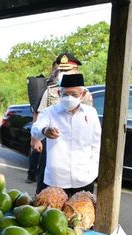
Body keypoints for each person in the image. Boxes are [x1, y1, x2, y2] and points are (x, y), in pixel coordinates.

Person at [31, 52, 93, 193]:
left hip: (75, 147)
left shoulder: (84, 94)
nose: (63, 74)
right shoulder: (51, 91)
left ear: (76, 71)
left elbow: (88, 122)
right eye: (61, 70)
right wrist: (35, 139)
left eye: (67, 71)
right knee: (46, 186)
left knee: (76, 190)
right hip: (52, 143)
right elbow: (39, 115)